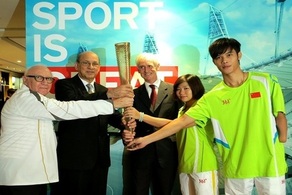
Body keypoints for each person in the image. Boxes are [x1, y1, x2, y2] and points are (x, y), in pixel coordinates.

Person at [127, 38, 288, 195]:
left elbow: (280, 115)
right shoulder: (212, 98)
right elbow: (181, 122)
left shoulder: (266, 81)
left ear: (239, 55)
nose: (224, 60)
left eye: (229, 55)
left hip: (270, 162)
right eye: (218, 57)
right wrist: (146, 140)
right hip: (236, 165)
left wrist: (279, 142)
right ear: (214, 62)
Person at [0, 65, 133, 195]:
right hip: (19, 175)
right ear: (24, 80)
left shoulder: (37, 99)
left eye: (48, 79)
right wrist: (112, 104)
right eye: (39, 78)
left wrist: (123, 122)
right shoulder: (25, 98)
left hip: (32, 174)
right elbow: (69, 109)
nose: (45, 82)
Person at [53, 51, 134, 195]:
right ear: (77, 66)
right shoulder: (64, 85)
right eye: (86, 63)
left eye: (95, 63)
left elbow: (111, 115)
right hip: (75, 159)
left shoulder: (102, 89)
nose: (91, 67)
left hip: (99, 159)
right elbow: (76, 104)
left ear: (99, 67)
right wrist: (109, 95)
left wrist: (123, 124)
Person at [124, 74, 219, 195]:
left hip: (203, 165)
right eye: (178, 89)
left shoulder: (202, 106)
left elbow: (178, 124)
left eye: (186, 88)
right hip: (185, 165)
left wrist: (144, 129)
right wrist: (137, 119)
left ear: (195, 88)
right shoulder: (183, 110)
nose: (181, 92)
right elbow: (172, 125)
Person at [122, 52, 182, 195]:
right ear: (137, 71)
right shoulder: (132, 95)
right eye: (142, 67)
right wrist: (125, 133)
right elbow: (128, 123)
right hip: (140, 154)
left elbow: (179, 123)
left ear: (158, 67)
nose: (146, 70)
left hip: (167, 154)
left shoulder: (175, 91)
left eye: (149, 66)